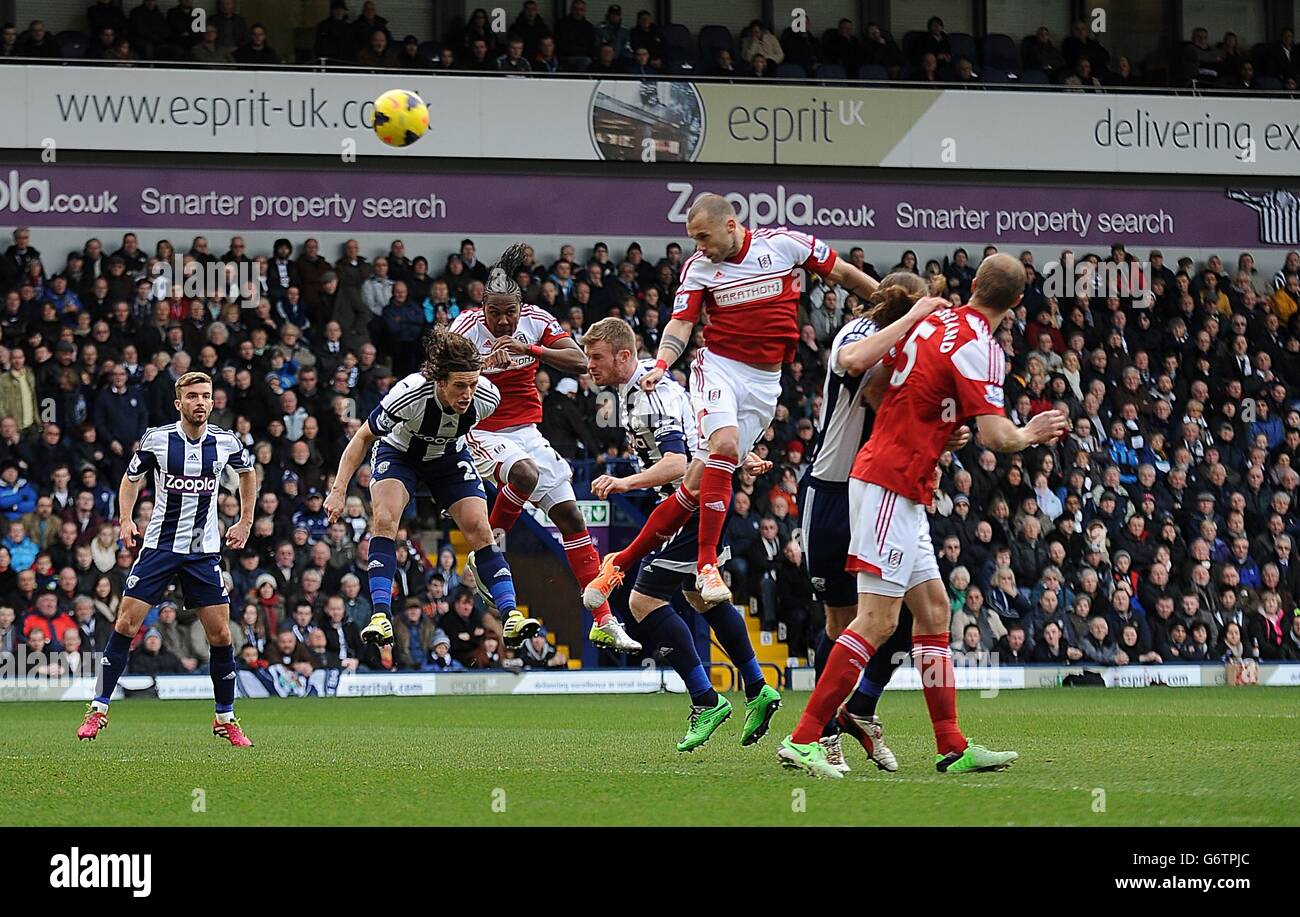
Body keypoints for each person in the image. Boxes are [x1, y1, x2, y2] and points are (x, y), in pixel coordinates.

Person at [780, 254, 1069, 778]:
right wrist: (1033, 431)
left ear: (974, 284)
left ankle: (952, 745)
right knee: (877, 620)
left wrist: (935, 418)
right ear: (1018, 303)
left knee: (934, 610)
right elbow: (996, 437)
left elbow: (874, 387)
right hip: (890, 480)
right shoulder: (982, 347)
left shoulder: (935, 318)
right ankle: (805, 738)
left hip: (898, 481)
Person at [584, 193, 879, 613]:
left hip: (765, 382)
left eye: (703, 236)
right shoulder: (699, 268)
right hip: (719, 366)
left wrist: (892, 305)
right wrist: (664, 362)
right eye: (692, 239)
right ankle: (707, 565)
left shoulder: (783, 245)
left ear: (730, 224)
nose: (697, 246)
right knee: (723, 445)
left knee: (695, 485)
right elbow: (681, 322)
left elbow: (847, 275)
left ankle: (620, 562)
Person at [582, 317, 780, 752]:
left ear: (624, 356)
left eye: (596, 357)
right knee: (697, 597)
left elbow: (676, 461)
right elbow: (701, 439)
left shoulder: (649, 397)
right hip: (703, 496)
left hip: (687, 507)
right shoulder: (655, 386)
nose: (590, 366)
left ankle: (706, 700)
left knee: (642, 600)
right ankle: (756, 687)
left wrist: (625, 483)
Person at [449, 244, 637, 653]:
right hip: (481, 429)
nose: (501, 321)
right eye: (493, 313)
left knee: (570, 516)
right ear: (481, 308)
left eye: (508, 313)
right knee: (525, 474)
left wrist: (530, 349)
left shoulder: (536, 322)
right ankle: (488, 550)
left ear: (521, 307)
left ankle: (602, 620)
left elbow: (578, 361)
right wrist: (476, 369)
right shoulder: (463, 330)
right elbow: (439, 377)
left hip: (527, 433)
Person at [797, 273, 950, 773]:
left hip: (885, 488)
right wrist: (913, 319)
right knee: (844, 622)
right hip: (834, 492)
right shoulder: (857, 332)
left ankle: (860, 708)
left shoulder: (910, 347)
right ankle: (822, 735)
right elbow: (853, 365)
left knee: (909, 618)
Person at [324, 330, 539, 652]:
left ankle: (510, 615)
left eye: (473, 384)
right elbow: (362, 438)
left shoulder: (487, 396)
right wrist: (339, 490)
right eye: (459, 386)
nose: (468, 393)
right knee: (384, 520)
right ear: (439, 382)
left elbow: (472, 435)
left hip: (448, 457)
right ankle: (380, 616)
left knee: (481, 530)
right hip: (399, 454)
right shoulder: (408, 394)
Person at [77, 373, 257, 746]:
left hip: (203, 552)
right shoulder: (158, 439)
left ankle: (225, 717)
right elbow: (131, 479)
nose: (200, 402)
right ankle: (98, 709)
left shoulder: (225, 442)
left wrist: (245, 520)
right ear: (179, 404)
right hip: (159, 548)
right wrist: (125, 519)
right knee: (125, 624)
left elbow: (247, 474)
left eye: (206, 396)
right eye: (192, 396)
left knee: (221, 634)